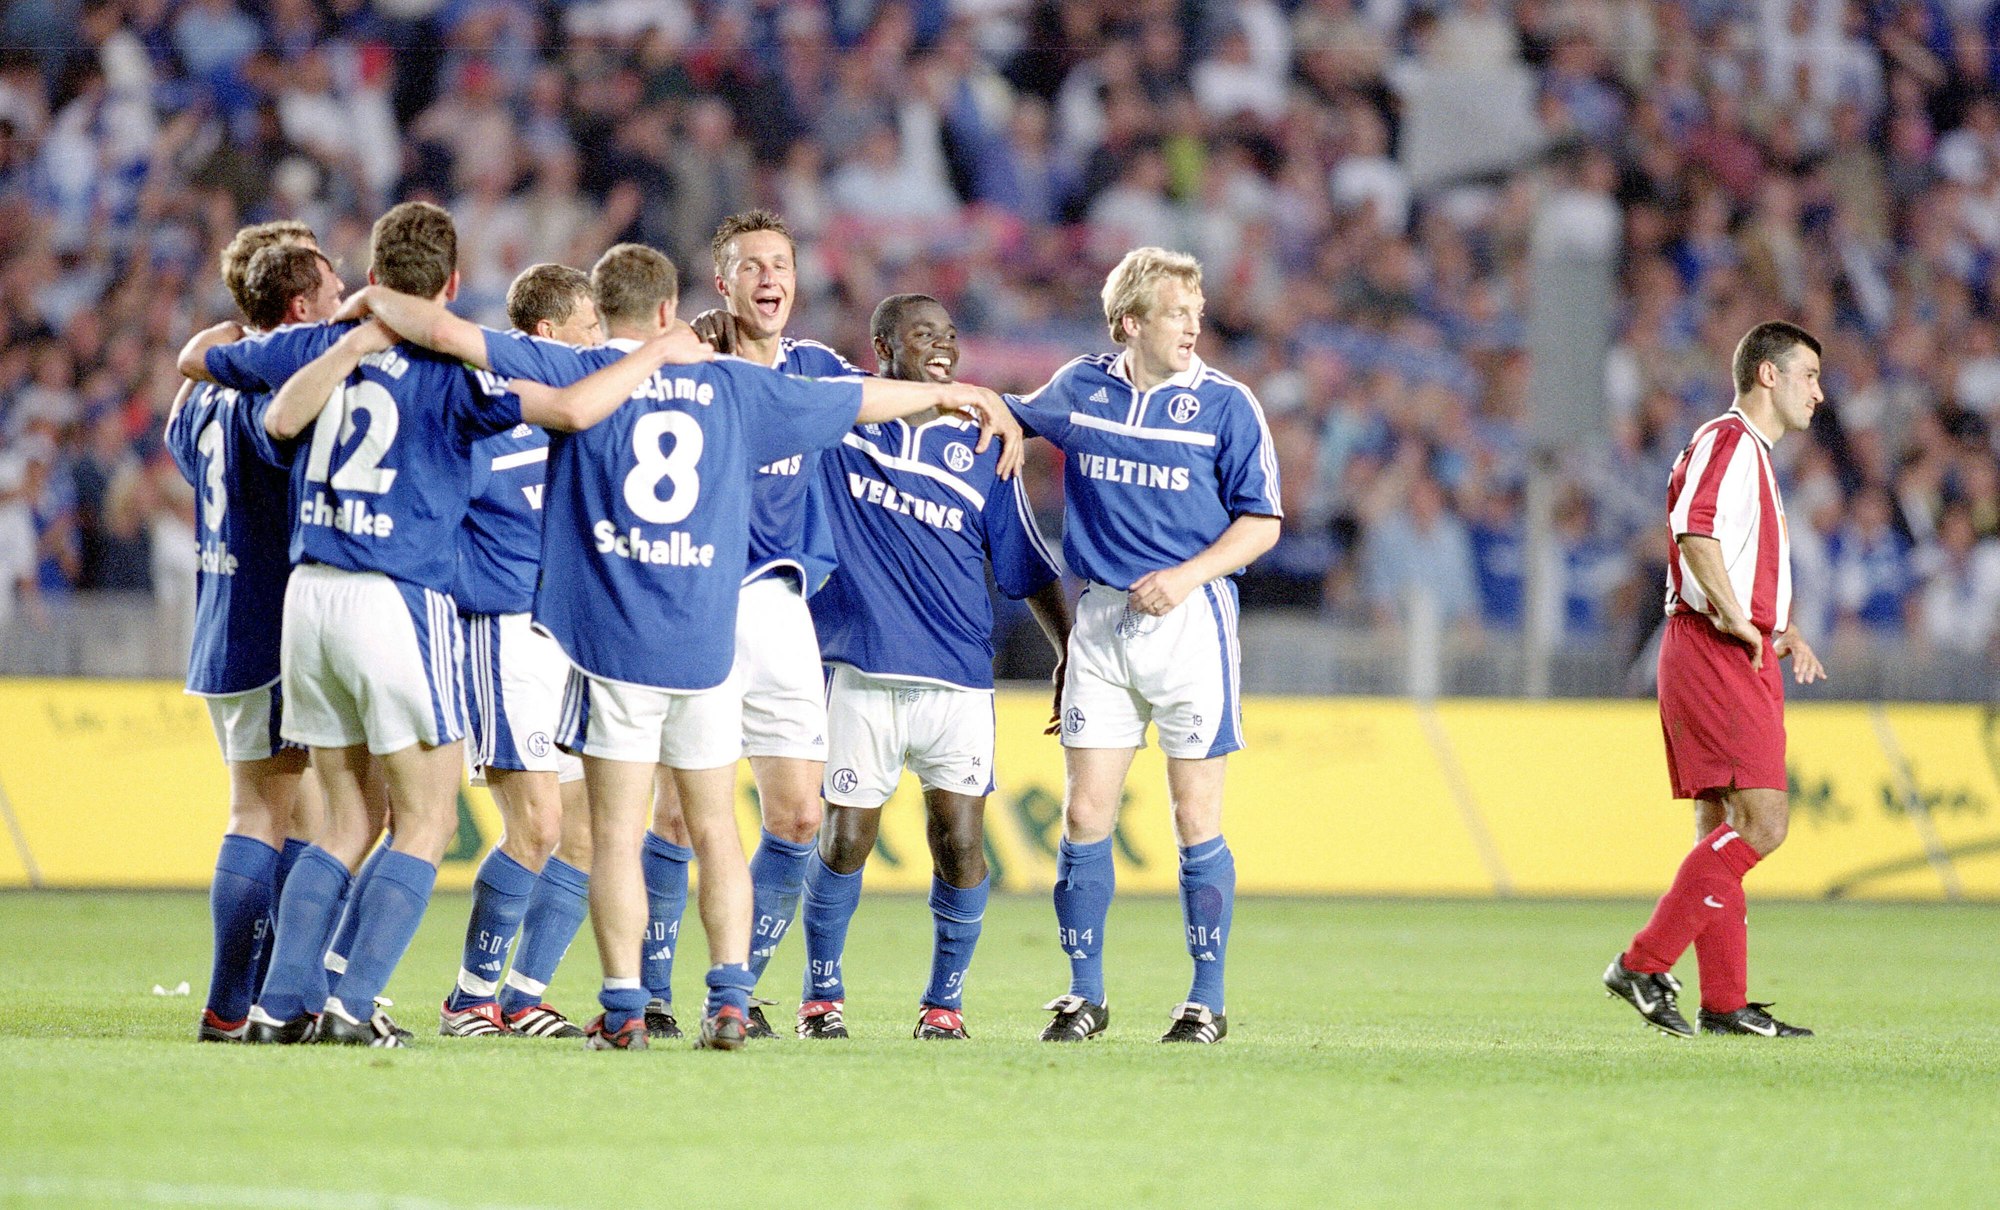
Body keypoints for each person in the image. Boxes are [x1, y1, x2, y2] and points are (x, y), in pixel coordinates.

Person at [343, 242, 1022, 1050]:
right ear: (672, 311)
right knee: (718, 832)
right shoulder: (733, 385)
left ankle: (626, 1005)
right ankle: (730, 997)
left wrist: (367, 310)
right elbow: (856, 400)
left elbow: (452, 335)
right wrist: (962, 397)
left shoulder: (581, 373)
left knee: (618, 838)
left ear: (609, 310)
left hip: (614, 646)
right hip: (704, 641)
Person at [176, 203, 696, 1047]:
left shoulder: (312, 346)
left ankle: (276, 1008)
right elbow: (566, 409)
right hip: (395, 595)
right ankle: (351, 1008)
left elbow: (215, 371)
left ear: (372, 277)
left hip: (308, 595)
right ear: (451, 285)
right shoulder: (458, 367)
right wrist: (655, 356)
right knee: (424, 818)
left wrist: (344, 336)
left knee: (344, 820)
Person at [1006, 246, 1282, 1044]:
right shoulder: (1081, 388)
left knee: (1195, 817)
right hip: (1100, 624)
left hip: (1191, 627)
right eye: (1175, 313)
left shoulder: (1229, 406)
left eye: (1197, 313)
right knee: (1086, 812)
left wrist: (1189, 575)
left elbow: (1262, 524)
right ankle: (1082, 994)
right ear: (1131, 323)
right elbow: (1012, 416)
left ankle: (1205, 1000)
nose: (1193, 326)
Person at [794, 294, 1072, 1041]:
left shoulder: (985, 446)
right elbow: (777, 377)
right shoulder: (843, 426)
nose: (943, 347)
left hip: (957, 676)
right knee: (846, 838)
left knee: (958, 838)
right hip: (862, 667)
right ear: (884, 346)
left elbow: (1027, 564)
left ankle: (944, 1004)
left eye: (950, 335)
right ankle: (822, 996)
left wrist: (1069, 649)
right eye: (923, 335)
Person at [639, 209, 868, 1041]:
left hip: (781, 606)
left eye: (782, 263)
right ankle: (656, 992)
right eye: (752, 265)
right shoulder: (691, 364)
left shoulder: (814, 369)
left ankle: (735, 989)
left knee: (801, 817)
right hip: (698, 600)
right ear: (723, 282)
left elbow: (876, 399)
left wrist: (966, 401)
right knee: (673, 812)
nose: (770, 277)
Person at [1603, 320, 1827, 1040]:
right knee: (1763, 824)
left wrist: (1776, 624)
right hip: (1716, 649)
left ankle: (1724, 1001)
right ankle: (1641, 962)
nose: (1819, 395)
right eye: (1809, 376)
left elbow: (1725, 545)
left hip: (1734, 643)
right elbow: (1693, 530)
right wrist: (1737, 619)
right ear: (1769, 374)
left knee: (1719, 827)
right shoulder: (1728, 442)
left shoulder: (1750, 456)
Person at [164, 227, 338, 1043]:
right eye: (332, 297)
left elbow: (180, 421)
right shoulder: (281, 400)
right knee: (264, 817)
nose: (342, 310)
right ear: (300, 308)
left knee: (291, 815)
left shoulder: (201, 399)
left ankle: (278, 995)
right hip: (272, 629)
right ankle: (236, 1005)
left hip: (218, 628)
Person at [437, 264, 602, 1040]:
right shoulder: (483, 411)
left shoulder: (583, 417)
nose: (600, 341)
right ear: (545, 336)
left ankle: (523, 995)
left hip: (571, 637)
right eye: (589, 328)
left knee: (590, 829)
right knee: (534, 823)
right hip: (500, 631)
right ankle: (468, 998)